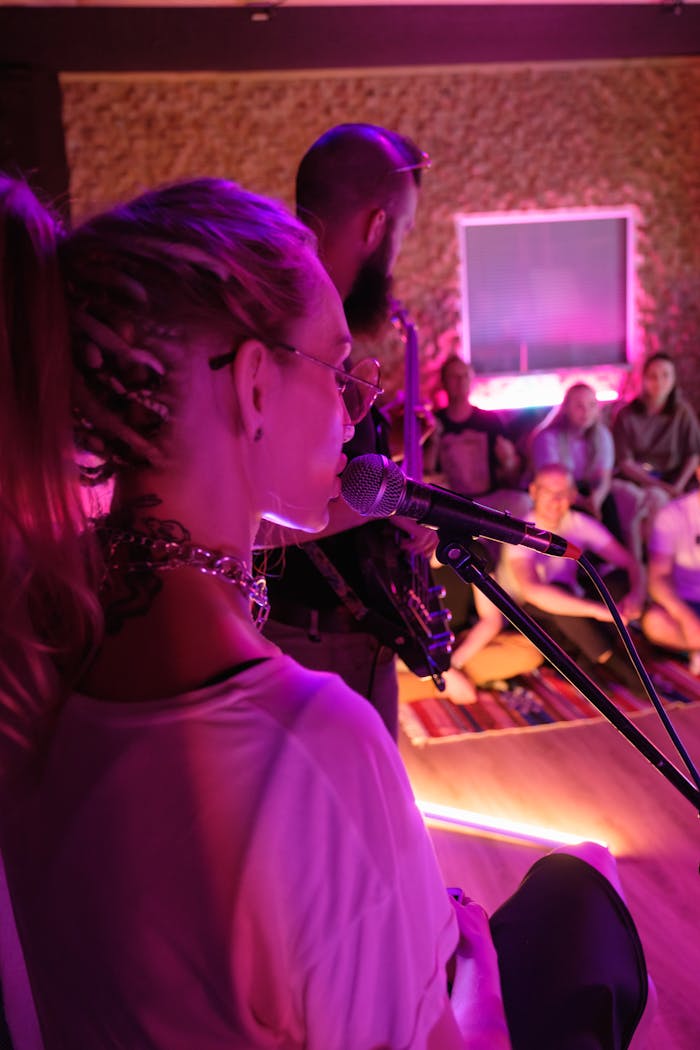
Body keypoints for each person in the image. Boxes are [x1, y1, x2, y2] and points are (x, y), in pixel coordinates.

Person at [0, 174, 652, 1050]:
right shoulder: (312, 749)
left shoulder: (43, 674)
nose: (360, 402)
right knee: (582, 916)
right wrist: (476, 991)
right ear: (257, 385)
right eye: (339, 365)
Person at [261, 124, 441, 739]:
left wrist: (379, 460)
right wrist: (385, 501)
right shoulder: (286, 332)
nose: (399, 249)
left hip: (340, 633)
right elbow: (250, 525)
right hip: (314, 638)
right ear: (375, 226)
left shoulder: (295, 317)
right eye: (405, 230)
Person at [498, 464, 647, 694]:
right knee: (559, 598)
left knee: (617, 583)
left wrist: (637, 594)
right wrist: (598, 610)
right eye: (548, 491)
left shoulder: (577, 523)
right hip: (529, 613)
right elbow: (532, 591)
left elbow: (629, 562)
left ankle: (588, 661)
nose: (555, 500)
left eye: (562, 493)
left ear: (572, 496)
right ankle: (619, 666)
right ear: (534, 492)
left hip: (569, 602)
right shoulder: (523, 531)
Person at [612, 352, 700, 554]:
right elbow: (625, 462)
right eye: (653, 376)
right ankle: (657, 563)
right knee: (655, 502)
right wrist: (662, 486)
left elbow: (693, 453)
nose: (659, 381)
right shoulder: (627, 415)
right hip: (640, 480)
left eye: (665, 375)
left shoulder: (681, 412)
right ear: (643, 379)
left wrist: (677, 485)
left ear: (674, 379)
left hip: (674, 478)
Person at [424, 354, 525, 508]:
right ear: (443, 383)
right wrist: (433, 442)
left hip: (489, 504)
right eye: (454, 377)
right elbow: (425, 474)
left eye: (465, 376)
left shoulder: (490, 421)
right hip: (450, 505)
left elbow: (512, 474)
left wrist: (509, 462)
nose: (461, 381)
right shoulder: (433, 423)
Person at [642, 463, 700, 675]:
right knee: (654, 623)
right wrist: (687, 619)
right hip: (687, 603)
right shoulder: (673, 515)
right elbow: (658, 578)